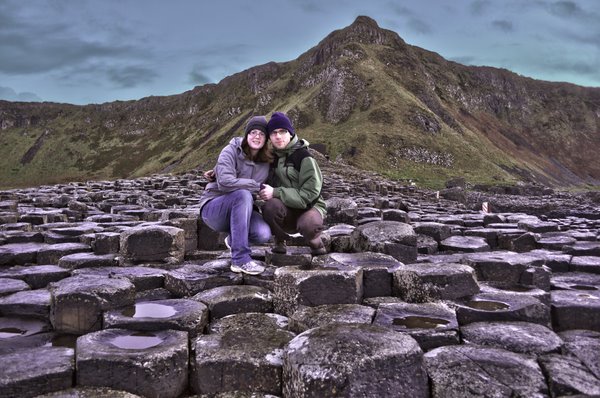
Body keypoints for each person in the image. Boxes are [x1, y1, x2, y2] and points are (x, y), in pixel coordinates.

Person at [198, 116, 272, 275]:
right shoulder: (230, 150)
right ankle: (240, 260)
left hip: (242, 212)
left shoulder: (267, 162)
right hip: (214, 208)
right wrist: (255, 185)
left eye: (261, 133)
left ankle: (234, 240)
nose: (257, 136)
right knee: (243, 194)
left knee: (263, 232)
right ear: (246, 135)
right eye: (253, 132)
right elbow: (224, 182)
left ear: (266, 138)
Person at [258, 112, 327, 256]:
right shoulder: (270, 159)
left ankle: (316, 242)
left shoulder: (304, 157)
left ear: (290, 133)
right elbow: (248, 170)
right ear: (269, 137)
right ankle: (280, 240)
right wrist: (217, 173)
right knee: (270, 207)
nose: (278, 136)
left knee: (309, 225)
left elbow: (309, 195)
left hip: (309, 207)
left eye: (282, 131)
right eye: (274, 133)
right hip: (286, 210)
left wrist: (276, 192)